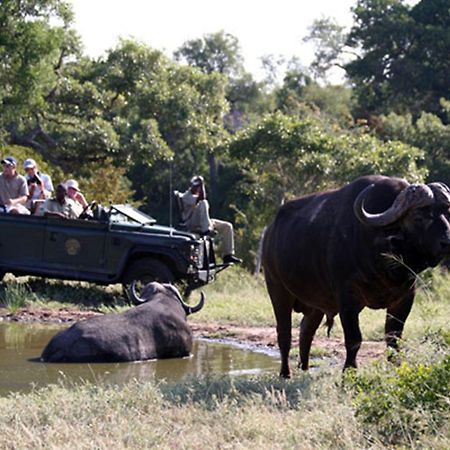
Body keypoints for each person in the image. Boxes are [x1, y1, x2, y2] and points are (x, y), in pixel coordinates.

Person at [180, 175, 241, 264]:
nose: (198, 189)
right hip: (191, 223)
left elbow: (202, 196)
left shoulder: (197, 194)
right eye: (196, 186)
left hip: (203, 222)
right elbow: (201, 198)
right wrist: (200, 184)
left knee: (227, 226)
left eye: (199, 187)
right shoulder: (186, 196)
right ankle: (206, 229)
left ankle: (228, 255)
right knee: (204, 202)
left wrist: (202, 184)